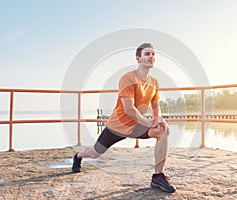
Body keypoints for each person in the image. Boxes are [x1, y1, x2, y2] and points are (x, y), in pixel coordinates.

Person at [72, 43, 176, 193]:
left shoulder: (154, 83)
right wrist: (149, 122)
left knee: (163, 131)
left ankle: (158, 176)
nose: (151, 57)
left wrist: (158, 120)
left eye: (153, 54)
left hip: (137, 126)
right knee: (95, 153)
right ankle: (79, 156)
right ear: (138, 59)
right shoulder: (128, 78)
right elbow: (129, 110)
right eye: (147, 54)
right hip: (118, 126)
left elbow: (155, 106)